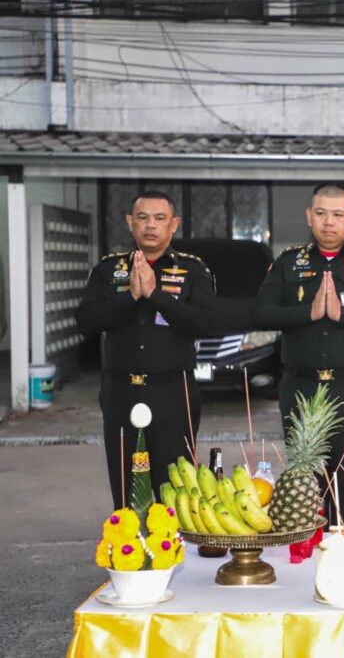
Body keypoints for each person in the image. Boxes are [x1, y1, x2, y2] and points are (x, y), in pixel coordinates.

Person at [253, 184, 344, 530]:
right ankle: (307, 551)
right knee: (304, 484)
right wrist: (307, 314)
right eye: (322, 213)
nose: (329, 222)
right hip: (301, 388)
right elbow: (261, 313)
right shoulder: (288, 262)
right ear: (309, 217)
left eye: (338, 215)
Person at [75, 191, 214, 508]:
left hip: (173, 391)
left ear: (174, 224)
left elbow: (204, 323)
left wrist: (155, 294)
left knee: (175, 485)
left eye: (159, 218)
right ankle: (127, 537)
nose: (151, 225)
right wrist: (131, 297)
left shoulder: (193, 270)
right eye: (142, 217)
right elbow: (86, 322)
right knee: (125, 482)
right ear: (130, 222)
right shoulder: (109, 269)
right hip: (121, 390)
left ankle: (172, 539)